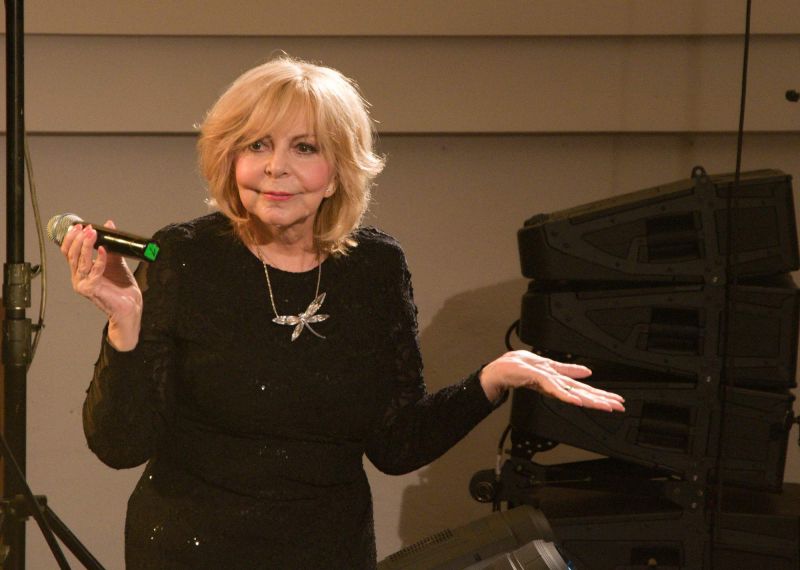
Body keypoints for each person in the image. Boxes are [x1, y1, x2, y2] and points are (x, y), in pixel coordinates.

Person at [60, 56, 624, 569]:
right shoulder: (184, 256)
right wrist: (124, 325)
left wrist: (493, 379)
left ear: (338, 169)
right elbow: (120, 446)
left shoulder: (375, 267)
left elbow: (396, 444)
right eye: (256, 145)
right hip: (189, 550)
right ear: (229, 158)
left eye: (304, 148)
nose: (276, 167)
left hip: (328, 551)